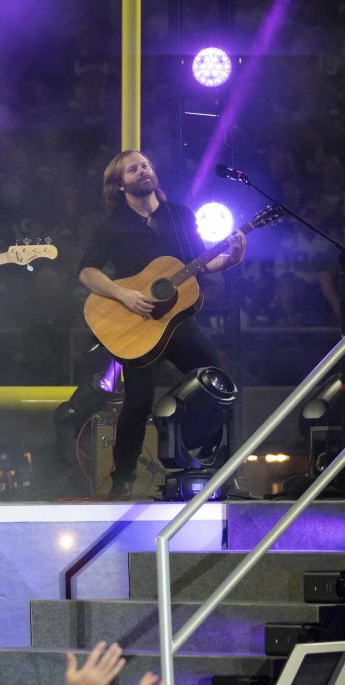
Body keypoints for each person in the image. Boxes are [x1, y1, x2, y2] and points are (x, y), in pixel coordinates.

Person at [77, 150, 245, 498]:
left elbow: (202, 264)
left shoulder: (179, 215)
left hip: (176, 324)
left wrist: (234, 257)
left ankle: (218, 461)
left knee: (219, 381)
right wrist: (124, 295)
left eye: (146, 165)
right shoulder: (113, 224)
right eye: (133, 169)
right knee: (137, 402)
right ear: (120, 185)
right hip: (138, 328)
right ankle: (122, 480)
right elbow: (87, 272)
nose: (143, 170)